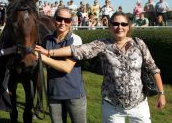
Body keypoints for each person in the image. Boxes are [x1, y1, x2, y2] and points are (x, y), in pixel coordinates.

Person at [36, 11, 166, 123]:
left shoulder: (139, 44)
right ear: (109, 26)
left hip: (139, 105)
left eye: (123, 24)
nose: (119, 27)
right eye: (115, 24)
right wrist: (48, 52)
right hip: (112, 107)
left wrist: (161, 93)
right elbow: (77, 50)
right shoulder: (102, 45)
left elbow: (153, 68)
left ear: (128, 27)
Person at [36, 7, 87, 123]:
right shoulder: (47, 39)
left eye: (67, 20)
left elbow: (67, 67)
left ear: (71, 22)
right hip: (54, 94)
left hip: (74, 95)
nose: (63, 23)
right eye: (59, 19)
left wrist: (43, 57)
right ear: (54, 20)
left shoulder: (76, 39)